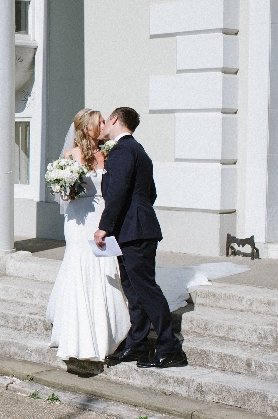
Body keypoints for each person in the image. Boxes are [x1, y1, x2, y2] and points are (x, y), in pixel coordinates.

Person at [94, 107, 188, 369]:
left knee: (145, 289)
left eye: (106, 120)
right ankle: (137, 345)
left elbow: (118, 192)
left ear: (114, 119)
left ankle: (170, 348)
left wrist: (104, 226)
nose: (103, 125)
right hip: (134, 229)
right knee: (134, 291)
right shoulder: (138, 150)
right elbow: (150, 193)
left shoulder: (123, 150)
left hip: (135, 231)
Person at [46, 108, 131, 362]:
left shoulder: (107, 154)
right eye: (99, 122)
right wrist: (66, 186)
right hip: (78, 218)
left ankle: (108, 331)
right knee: (80, 266)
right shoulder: (70, 156)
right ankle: (76, 334)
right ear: (87, 128)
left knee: (104, 267)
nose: (104, 124)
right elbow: (62, 195)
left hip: (100, 216)